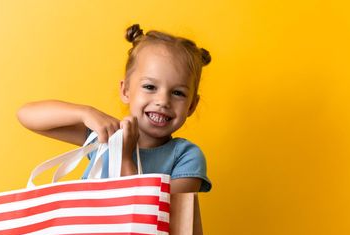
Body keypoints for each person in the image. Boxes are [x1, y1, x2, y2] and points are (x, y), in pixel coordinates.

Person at [17, 24, 212, 193]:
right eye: (150, 87)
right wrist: (85, 113)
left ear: (192, 105)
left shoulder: (186, 157)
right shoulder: (108, 135)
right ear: (126, 90)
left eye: (178, 93)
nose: (163, 101)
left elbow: (156, 214)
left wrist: (125, 159)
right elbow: (26, 115)